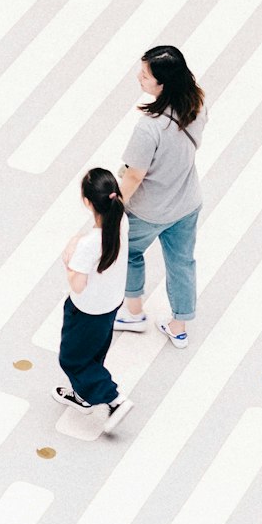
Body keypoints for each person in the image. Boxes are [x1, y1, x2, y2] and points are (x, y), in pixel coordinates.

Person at [114, 44, 207, 349]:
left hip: (149, 210)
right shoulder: (197, 103)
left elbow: (134, 175)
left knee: (128, 253)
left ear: (162, 84)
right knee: (182, 263)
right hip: (187, 202)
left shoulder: (149, 127)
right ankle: (179, 326)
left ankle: (134, 313)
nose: (139, 78)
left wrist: (114, 209)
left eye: (145, 75)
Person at [52, 168, 134, 433]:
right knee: (95, 350)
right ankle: (84, 395)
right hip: (111, 303)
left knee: (72, 359)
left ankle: (113, 399)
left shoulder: (89, 244)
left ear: (88, 202)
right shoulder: (120, 220)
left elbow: (78, 284)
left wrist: (68, 260)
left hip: (86, 309)